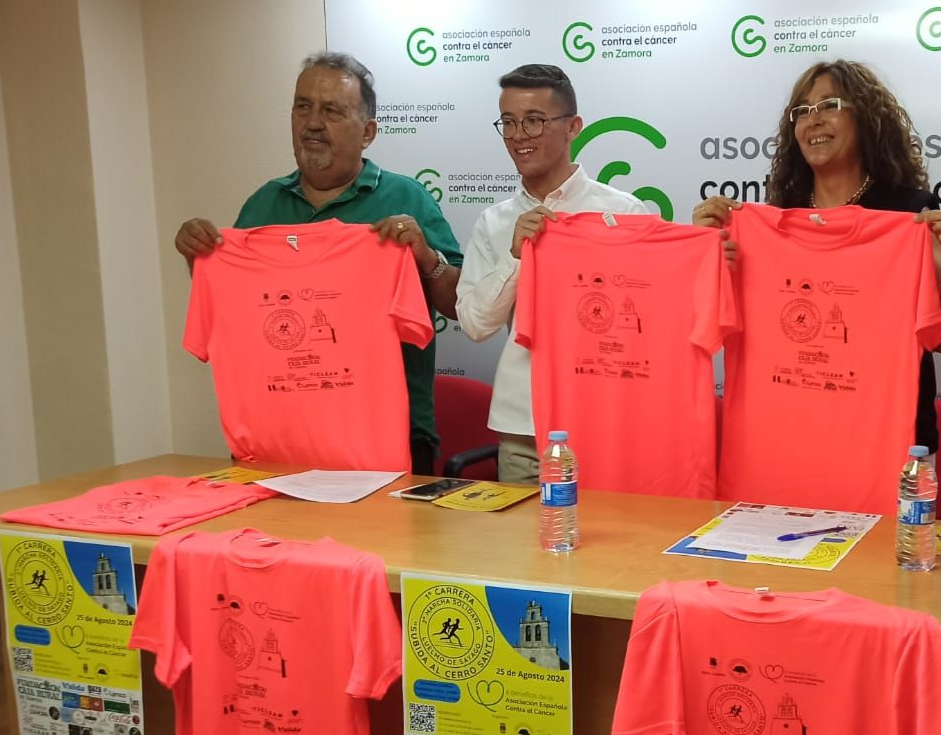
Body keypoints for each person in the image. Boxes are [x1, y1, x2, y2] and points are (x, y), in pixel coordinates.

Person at [174, 52, 462, 474]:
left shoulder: (407, 199)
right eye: (302, 107)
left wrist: (424, 256)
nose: (312, 123)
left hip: (387, 438)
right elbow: (236, 311)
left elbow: (459, 305)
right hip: (275, 441)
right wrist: (201, 260)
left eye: (331, 111)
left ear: (367, 132)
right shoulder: (263, 204)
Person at [692, 59, 941, 456]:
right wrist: (703, 256)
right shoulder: (771, 221)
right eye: (803, 111)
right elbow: (707, 326)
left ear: (866, 118)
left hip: (888, 444)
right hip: (786, 437)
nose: (814, 120)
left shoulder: (908, 215)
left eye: (830, 105)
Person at [454, 64, 651, 484]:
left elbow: (647, 321)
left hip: (606, 420)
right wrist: (515, 257)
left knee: (613, 528)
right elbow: (474, 324)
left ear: (573, 127)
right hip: (524, 429)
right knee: (524, 531)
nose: (518, 135)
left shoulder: (624, 213)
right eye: (508, 122)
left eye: (534, 120)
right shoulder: (494, 222)